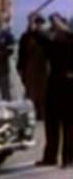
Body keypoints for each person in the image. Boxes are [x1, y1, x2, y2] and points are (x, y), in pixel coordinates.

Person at [35, 14, 73, 168]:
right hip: (54, 85)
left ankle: (68, 158)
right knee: (51, 124)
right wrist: (35, 25)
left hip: (70, 87)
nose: (55, 31)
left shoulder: (70, 42)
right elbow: (41, 39)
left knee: (69, 125)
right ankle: (50, 156)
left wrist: (59, 24)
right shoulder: (55, 44)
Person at [16, 14, 48, 119]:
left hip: (42, 68)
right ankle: (31, 113)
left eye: (39, 23)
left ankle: (42, 113)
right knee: (30, 91)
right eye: (34, 22)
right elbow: (21, 53)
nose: (36, 25)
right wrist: (19, 67)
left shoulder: (44, 36)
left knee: (42, 91)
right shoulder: (25, 36)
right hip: (29, 68)